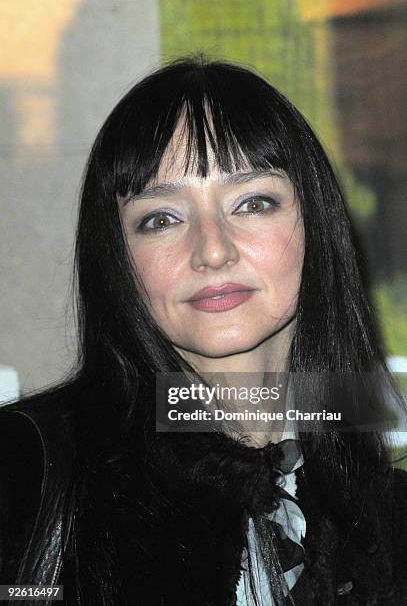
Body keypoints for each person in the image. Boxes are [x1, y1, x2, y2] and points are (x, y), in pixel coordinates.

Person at [0, 55, 406, 606]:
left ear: (318, 227)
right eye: (160, 219)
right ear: (116, 257)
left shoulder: (386, 516)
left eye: (253, 203)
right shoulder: (26, 466)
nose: (212, 250)